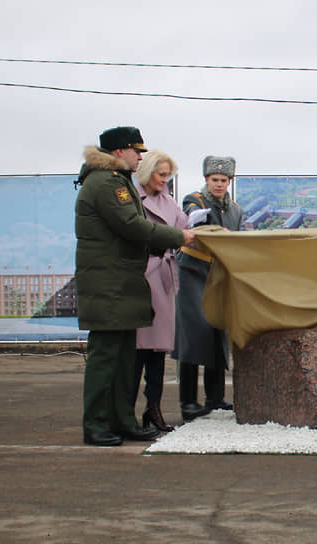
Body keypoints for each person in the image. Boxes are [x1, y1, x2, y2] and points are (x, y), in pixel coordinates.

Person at [76, 126, 197, 447]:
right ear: (118, 152)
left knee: (123, 360)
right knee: (105, 360)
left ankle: (123, 421)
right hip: (109, 283)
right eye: (136, 151)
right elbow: (132, 225)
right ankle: (97, 424)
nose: (140, 157)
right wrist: (179, 237)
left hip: (121, 283)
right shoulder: (105, 183)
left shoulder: (115, 181)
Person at [174, 156, 242, 421]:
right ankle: (188, 401)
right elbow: (197, 225)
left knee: (217, 331)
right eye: (214, 179)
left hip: (218, 274)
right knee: (192, 334)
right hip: (192, 270)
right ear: (206, 180)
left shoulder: (235, 209)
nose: (219, 184)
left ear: (229, 181)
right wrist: (219, 232)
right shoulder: (194, 200)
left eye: (224, 180)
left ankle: (215, 397)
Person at [132, 149, 187, 432]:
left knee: (158, 351)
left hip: (163, 277)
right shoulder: (131, 199)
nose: (165, 180)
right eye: (161, 174)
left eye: (168, 175)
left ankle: (153, 408)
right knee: (137, 351)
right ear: (147, 172)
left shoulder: (169, 202)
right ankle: (129, 411)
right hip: (141, 277)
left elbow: (186, 231)